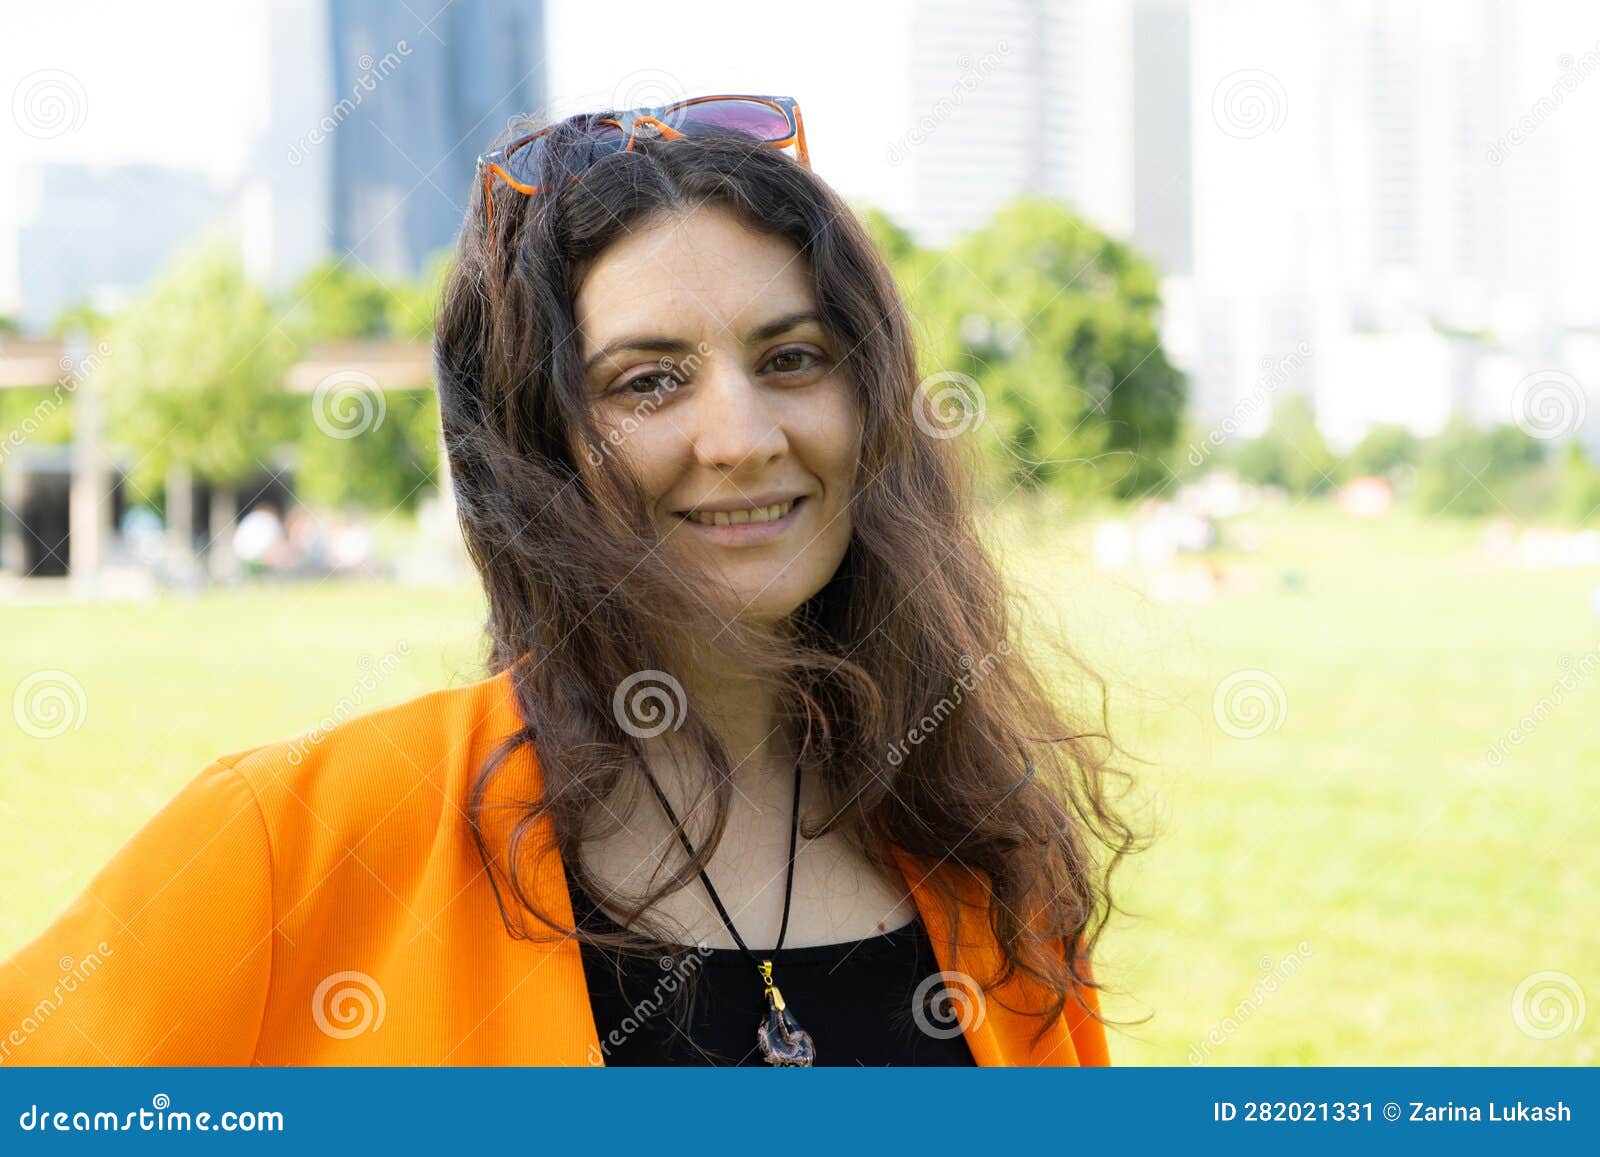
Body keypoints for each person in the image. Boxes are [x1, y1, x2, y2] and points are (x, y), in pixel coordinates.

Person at [0, 94, 1139, 1067]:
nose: (740, 435)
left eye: (791, 358)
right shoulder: (292, 837)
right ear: (533, 448)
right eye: (649, 381)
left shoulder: (990, 852)